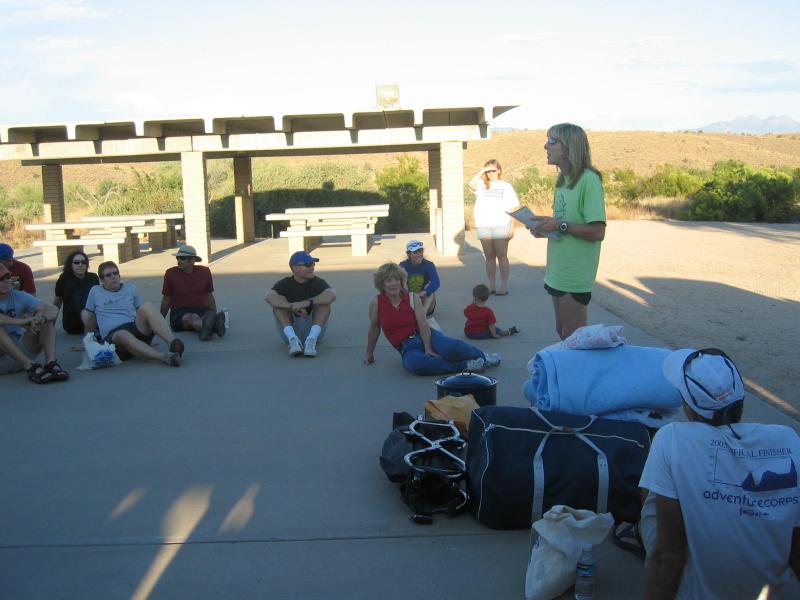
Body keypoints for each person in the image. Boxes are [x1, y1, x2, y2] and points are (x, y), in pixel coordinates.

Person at [639, 348, 800, 599]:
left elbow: (669, 553)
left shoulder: (672, 439)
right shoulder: (787, 439)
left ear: (689, 408)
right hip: (766, 591)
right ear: (740, 399)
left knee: (653, 494)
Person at [529, 123, 606, 340]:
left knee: (574, 339)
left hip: (574, 273)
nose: (546, 146)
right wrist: (544, 228)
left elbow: (597, 231)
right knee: (563, 333)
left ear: (570, 146)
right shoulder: (562, 181)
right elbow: (564, 223)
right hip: (557, 270)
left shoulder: (588, 180)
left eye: (552, 141)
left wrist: (559, 225)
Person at [364, 262, 500, 375]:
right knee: (417, 365)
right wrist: (369, 354)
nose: (393, 284)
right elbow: (374, 329)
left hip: (427, 335)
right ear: (382, 284)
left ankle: (483, 357)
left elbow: (422, 322)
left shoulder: (412, 297)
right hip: (407, 347)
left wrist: (428, 347)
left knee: (451, 348)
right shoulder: (376, 303)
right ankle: (466, 366)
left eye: (396, 279)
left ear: (402, 281)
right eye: (389, 280)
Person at [82, 261, 184, 366]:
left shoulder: (130, 288)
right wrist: (87, 341)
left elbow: (141, 311)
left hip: (133, 327)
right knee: (122, 334)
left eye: (115, 273)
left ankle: (173, 344)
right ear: (102, 279)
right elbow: (89, 316)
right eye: (108, 275)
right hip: (113, 338)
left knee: (147, 307)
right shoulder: (95, 291)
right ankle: (164, 357)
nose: (113, 277)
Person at [0, 263, 69, 383]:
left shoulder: (17, 295)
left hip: (22, 351)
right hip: (2, 359)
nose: (6, 281)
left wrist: (38, 319)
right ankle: (30, 367)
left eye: (7, 277)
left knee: (45, 319)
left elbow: (53, 309)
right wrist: (23, 321)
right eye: (0, 279)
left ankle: (51, 363)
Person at [265, 250, 336, 358]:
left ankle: (311, 341)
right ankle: (293, 340)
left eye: (313, 264)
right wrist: (291, 306)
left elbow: (332, 295)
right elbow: (269, 296)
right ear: (294, 268)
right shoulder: (285, 283)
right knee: (278, 303)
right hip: (290, 333)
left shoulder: (317, 282)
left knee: (324, 303)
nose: (312, 267)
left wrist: (306, 303)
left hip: (315, 333)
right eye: (308, 265)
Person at [468, 160, 519, 296]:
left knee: (502, 256)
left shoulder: (506, 186)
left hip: (501, 224)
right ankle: (491, 285)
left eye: (493, 170)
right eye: (488, 170)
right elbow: (470, 184)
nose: (490, 173)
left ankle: (504, 285)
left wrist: (512, 226)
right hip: (484, 224)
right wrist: (481, 170)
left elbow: (513, 207)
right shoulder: (481, 185)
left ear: (499, 171)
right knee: (489, 257)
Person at [160, 245, 226, 341]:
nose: (179, 260)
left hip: (202, 309)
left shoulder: (205, 272)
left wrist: (214, 314)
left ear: (192, 260)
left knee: (197, 318)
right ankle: (214, 327)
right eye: (177, 257)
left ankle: (207, 330)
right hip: (179, 312)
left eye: (182, 258)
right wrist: (160, 320)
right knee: (191, 317)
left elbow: (209, 296)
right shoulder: (170, 273)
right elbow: (166, 299)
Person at [53, 250, 100, 334]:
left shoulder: (93, 277)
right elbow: (57, 302)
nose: (80, 265)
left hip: (92, 321)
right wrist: (51, 325)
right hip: (72, 324)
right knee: (79, 294)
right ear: (70, 265)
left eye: (83, 262)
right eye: (76, 262)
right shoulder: (64, 279)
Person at [398, 240, 439, 316]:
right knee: (401, 283)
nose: (419, 254)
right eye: (415, 252)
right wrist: (410, 296)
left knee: (430, 290)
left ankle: (422, 314)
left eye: (420, 251)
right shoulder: (402, 266)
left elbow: (436, 282)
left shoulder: (429, 265)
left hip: (423, 300)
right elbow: (397, 285)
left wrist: (423, 293)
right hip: (408, 299)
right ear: (408, 254)